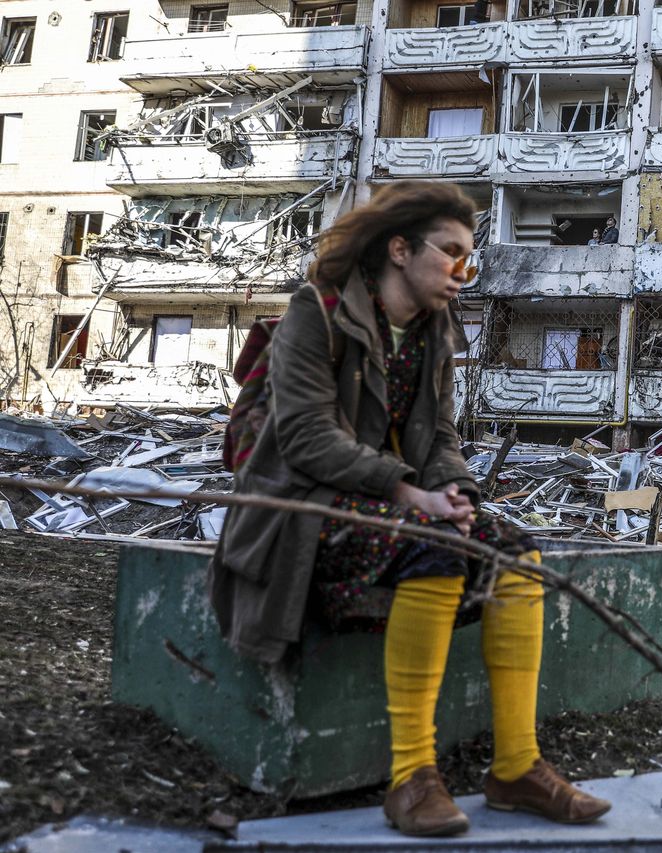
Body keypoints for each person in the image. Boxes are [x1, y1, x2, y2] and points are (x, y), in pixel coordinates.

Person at [208, 182, 610, 837]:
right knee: (434, 545)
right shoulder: (318, 312)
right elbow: (307, 437)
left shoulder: (432, 331)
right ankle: (412, 777)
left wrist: (454, 492)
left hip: (396, 504)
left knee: (517, 552)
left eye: (468, 259)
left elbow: (441, 436)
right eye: (451, 253)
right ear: (399, 249)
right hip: (302, 508)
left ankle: (516, 766)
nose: (462, 271)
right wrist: (407, 492)